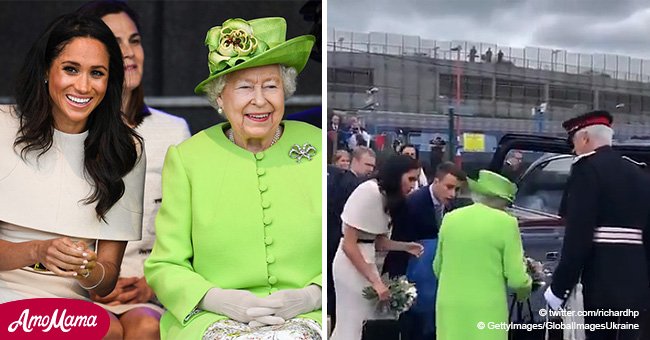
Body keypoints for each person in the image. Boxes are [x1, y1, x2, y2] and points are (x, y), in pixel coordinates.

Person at [143, 17, 321, 339]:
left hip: (312, 314)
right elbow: (165, 265)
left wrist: (312, 295)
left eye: (271, 85)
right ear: (220, 99)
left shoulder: (320, 146)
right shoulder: (187, 159)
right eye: (244, 87)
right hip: (212, 318)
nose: (260, 100)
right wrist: (217, 299)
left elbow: (341, 242)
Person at [0, 14, 144, 305]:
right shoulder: (3, 127)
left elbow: (106, 282)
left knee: (111, 331)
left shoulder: (125, 149)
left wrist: (86, 269)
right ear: (46, 70)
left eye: (97, 73)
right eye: (70, 69)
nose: (83, 86)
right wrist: (38, 251)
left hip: (69, 307)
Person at [76, 1, 192, 338]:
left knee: (145, 326)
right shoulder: (69, 130)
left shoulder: (173, 131)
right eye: (115, 41)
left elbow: (185, 225)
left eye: (135, 40)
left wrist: (151, 284)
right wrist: (89, 280)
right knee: (102, 329)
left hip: (148, 284)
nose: (128, 52)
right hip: (79, 285)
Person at [544, 110, 649, 339]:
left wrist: (558, 289)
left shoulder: (586, 169)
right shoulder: (639, 173)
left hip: (601, 283)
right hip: (638, 284)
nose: (573, 150)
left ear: (585, 139)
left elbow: (578, 238)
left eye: (573, 143)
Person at [330, 155, 425, 340]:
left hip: (366, 262)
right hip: (352, 265)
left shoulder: (384, 196)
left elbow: (377, 241)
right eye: (411, 179)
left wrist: (405, 247)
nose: (413, 185)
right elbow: (350, 246)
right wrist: (375, 281)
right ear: (397, 175)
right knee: (353, 323)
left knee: (362, 322)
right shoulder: (369, 192)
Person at [434, 170, 531, 340]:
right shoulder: (506, 223)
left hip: (450, 307)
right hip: (487, 310)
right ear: (501, 201)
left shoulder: (450, 218)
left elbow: (437, 268)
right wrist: (526, 289)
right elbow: (517, 279)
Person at [383, 162, 466, 340]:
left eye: (457, 190)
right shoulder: (412, 204)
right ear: (436, 181)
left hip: (435, 281)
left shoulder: (453, 206)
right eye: (449, 187)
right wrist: (398, 283)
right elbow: (399, 242)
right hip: (413, 278)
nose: (453, 194)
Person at [326, 146, 376, 329]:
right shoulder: (354, 185)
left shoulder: (340, 179)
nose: (370, 169)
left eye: (373, 166)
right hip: (339, 241)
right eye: (367, 164)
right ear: (355, 161)